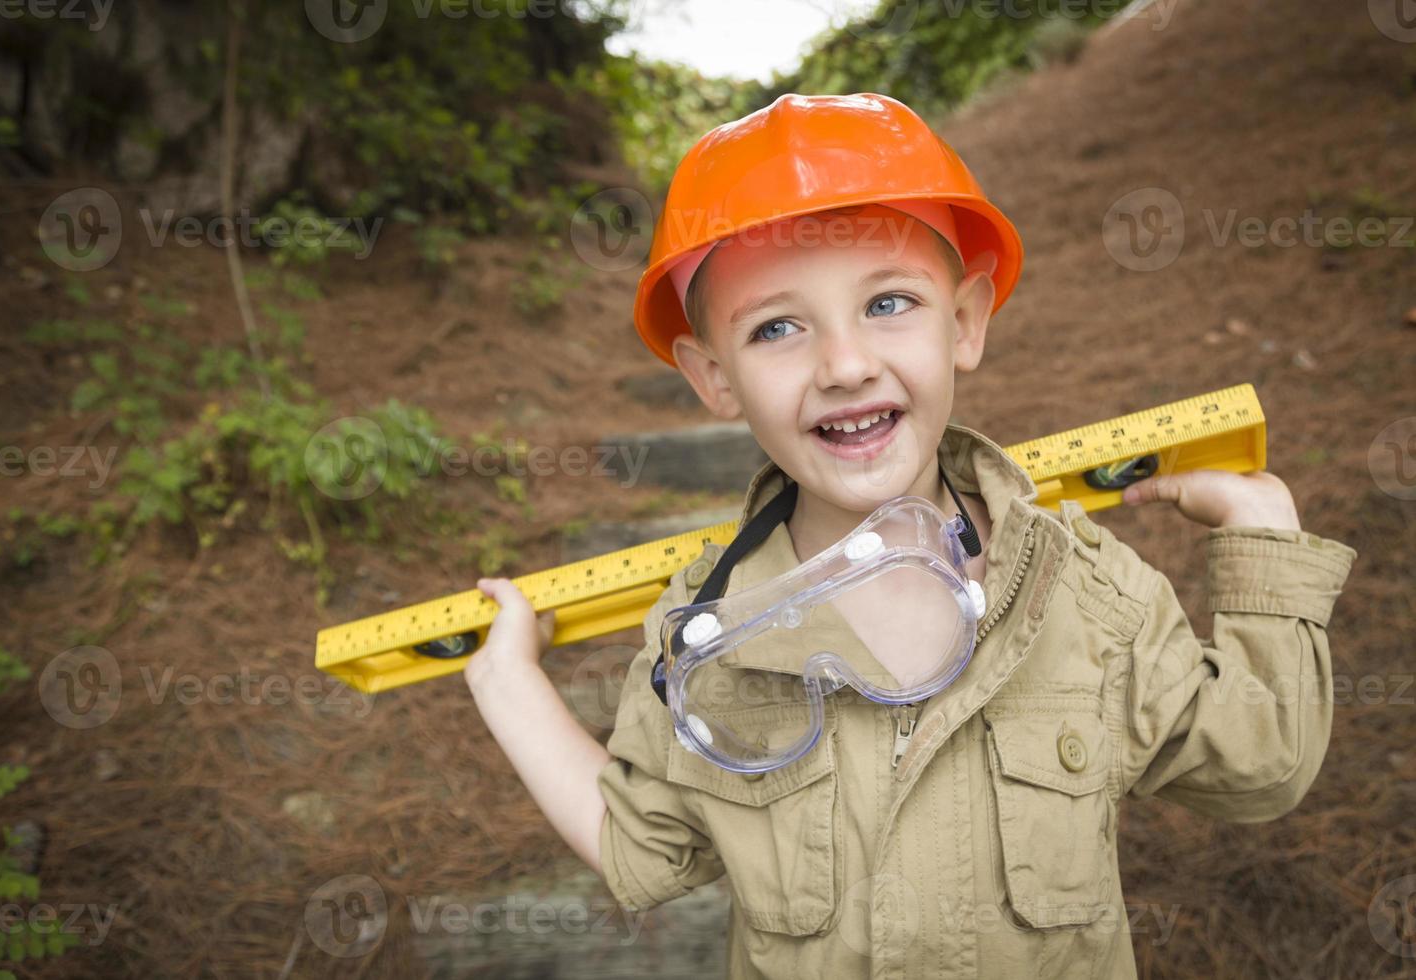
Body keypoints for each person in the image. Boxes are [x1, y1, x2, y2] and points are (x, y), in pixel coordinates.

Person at [462, 93, 1359, 978]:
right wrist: (508, 680)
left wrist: (1264, 544)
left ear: (963, 322)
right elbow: (641, 851)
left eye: (889, 303)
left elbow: (1259, 763)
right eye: (777, 328)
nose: (846, 364)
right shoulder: (708, 632)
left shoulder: (1075, 584)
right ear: (713, 378)